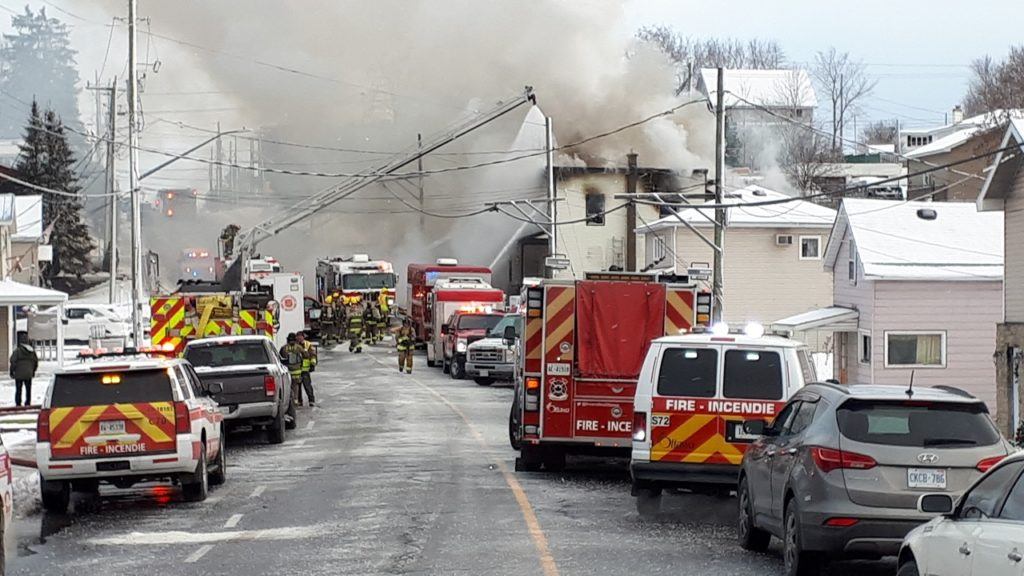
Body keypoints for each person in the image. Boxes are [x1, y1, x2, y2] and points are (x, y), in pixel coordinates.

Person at [9, 334, 38, 407]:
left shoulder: (17, 351)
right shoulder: (32, 352)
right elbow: (35, 362)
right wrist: (33, 371)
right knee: (28, 390)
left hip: (19, 374)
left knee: (18, 390)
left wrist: (12, 371)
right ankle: (28, 402)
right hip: (29, 373)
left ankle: (18, 403)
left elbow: (13, 361)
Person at [279, 333, 304, 406]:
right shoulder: (299, 347)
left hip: (288, 371)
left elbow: (280, 358)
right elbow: (305, 355)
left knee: (288, 386)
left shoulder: (284, 348)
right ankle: (296, 400)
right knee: (295, 386)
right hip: (297, 371)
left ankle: (290, 401)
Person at [296, 331, 317, 407]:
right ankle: (299, 401)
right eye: (298, 336)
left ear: (303, 337)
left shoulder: (308, 344)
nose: (299, 338)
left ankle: (311, 400)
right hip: (296, 370)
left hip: (305, 370)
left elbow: (313, 355)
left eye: (300, 336)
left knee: (307, 386)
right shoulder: (295, 345)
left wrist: (312, 364)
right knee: (297, 387)